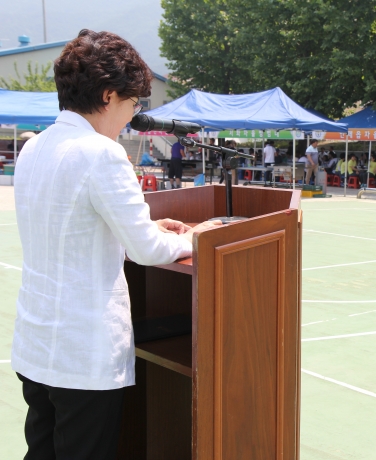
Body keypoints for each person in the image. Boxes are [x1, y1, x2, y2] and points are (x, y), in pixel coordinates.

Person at [12, 29, 223, 460]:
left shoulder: (33, 147)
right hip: (83, 354)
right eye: (133, 103)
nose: (132, 115)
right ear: (109, 96)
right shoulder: (102, 152)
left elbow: (70, 226)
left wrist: (144, 225)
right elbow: (147, 250)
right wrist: (196, 236)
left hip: (36, 344)